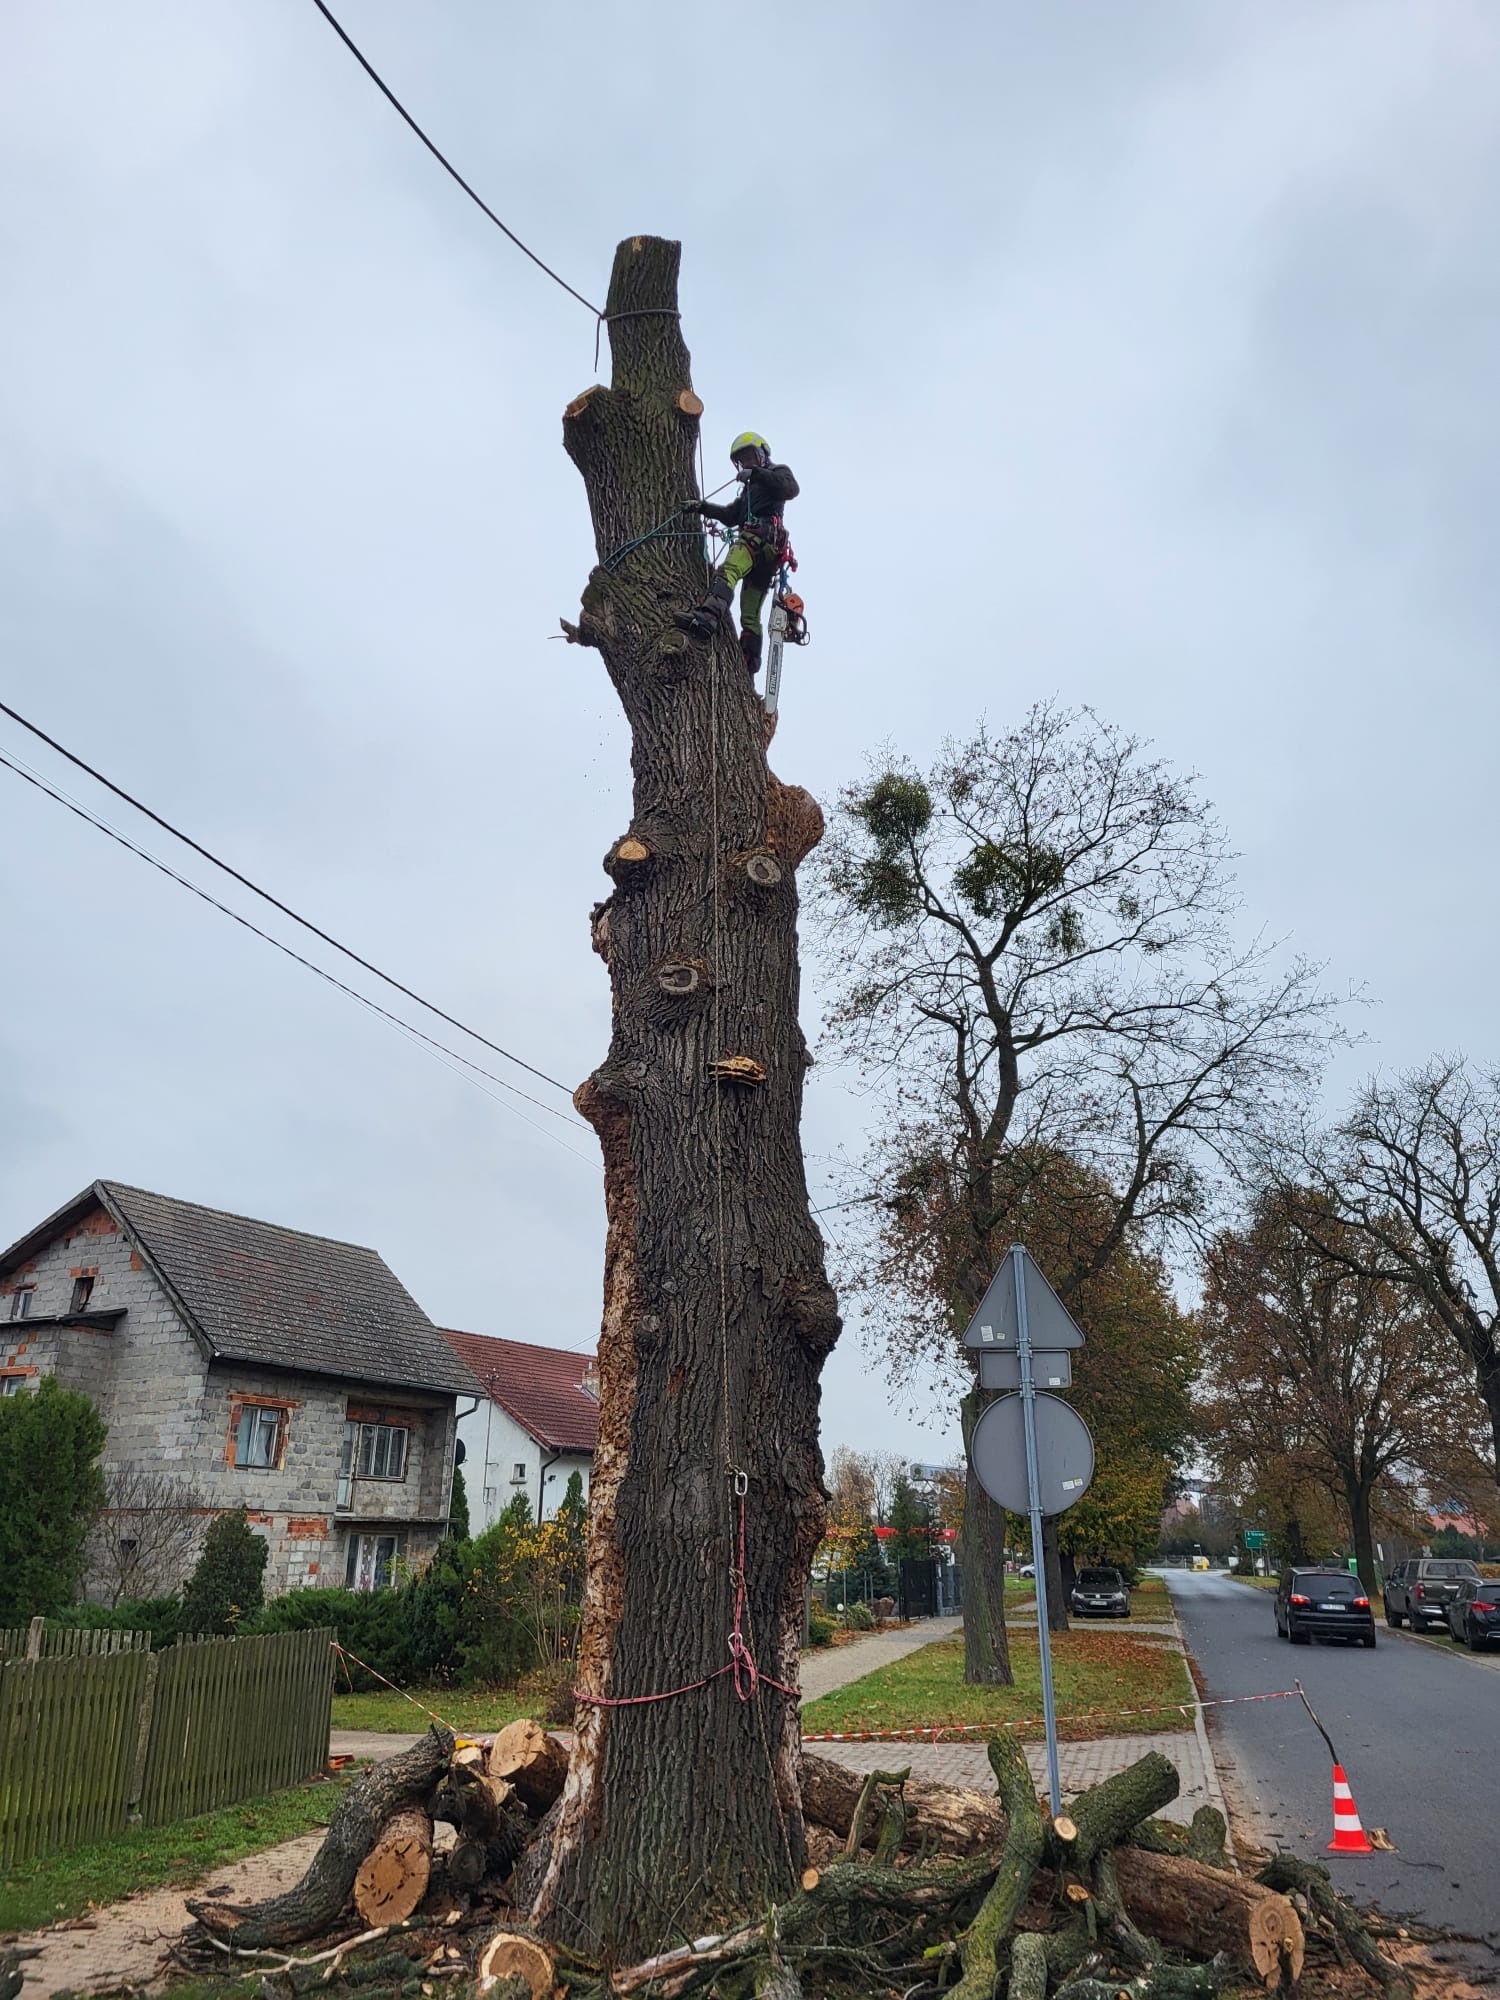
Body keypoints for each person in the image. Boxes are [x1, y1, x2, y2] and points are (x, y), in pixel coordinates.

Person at [675, 432, 800, 674]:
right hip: (765, 550)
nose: (746, 464)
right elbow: (732, 515)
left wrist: (756, 474)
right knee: (750, 611)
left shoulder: (777, 473)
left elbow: (790, 489)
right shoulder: (749, 492)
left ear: (762, 454)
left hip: (761, 539)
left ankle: (709, 616)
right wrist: (702, 507)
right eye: (742, 461)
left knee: (729, 570)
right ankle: (749, 660)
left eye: (750, 458)